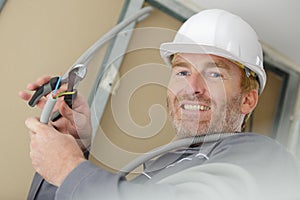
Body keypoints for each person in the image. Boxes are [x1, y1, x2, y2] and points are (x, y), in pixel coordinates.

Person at [20, 9, 300, 200]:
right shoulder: (163, 166)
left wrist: (70, 168)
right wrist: (71, 144)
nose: (192, 88)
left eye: (214, 74)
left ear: (248, 100)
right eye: (182, 71)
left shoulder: (264, 157)